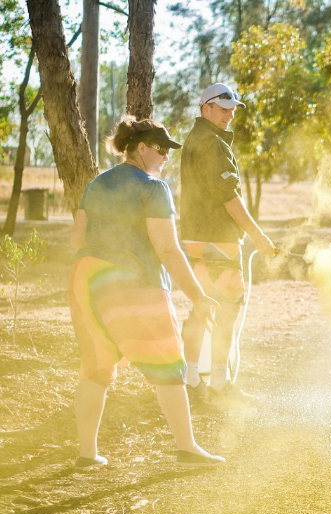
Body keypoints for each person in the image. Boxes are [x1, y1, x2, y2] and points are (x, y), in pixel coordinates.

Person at [69, 116, 225, 469]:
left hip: (87, 280)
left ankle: (87, 454)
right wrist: (199, 297)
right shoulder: (153, 188)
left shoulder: (97, 184)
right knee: (168, 364)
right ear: (140, 148)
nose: (167, 156)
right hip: (133, 281)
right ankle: (187, 449)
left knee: (96, 368)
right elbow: (168, 249)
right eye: (161, 149)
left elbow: (77, 240)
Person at [179, 83, 277, 407]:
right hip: (218, 240)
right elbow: (229, 198)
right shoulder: (212, 143)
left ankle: (193, 381)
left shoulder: (195, 139)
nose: (230, 115)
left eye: (232, 109)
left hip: (195, 238)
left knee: (201, 307)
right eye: (223, 109)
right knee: (227, 309)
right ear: (205, 108)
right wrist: (258, 236)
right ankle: (218, 385)